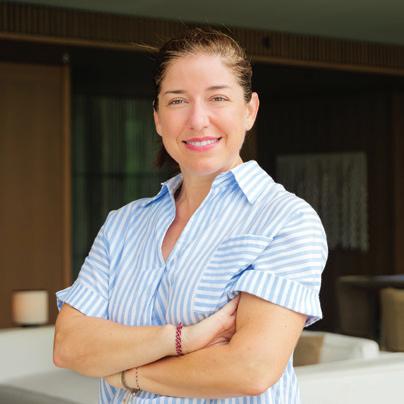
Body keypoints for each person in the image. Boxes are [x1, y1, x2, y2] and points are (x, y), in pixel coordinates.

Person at [54, 27, 328, 404]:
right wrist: (183, 339)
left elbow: (250, 369)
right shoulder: (123, 224)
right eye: (178, 100)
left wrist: (130, 375)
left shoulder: (285, 220)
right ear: (157, 118)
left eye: (218, 98)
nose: (198, 120)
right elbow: (69, 346)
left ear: (249, 110)